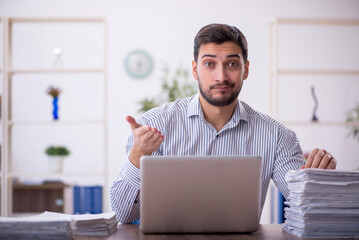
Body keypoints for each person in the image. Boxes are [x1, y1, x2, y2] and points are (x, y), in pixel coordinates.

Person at [110, 23, 337, 224]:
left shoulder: (276, 135)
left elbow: (305, 206)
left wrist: (316, 183)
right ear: (195, 69)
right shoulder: (153, 124)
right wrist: (138, 154)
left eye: (231, 64)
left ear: (245, 70)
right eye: (209, 64)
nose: (221, 77)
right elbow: (123, 214)